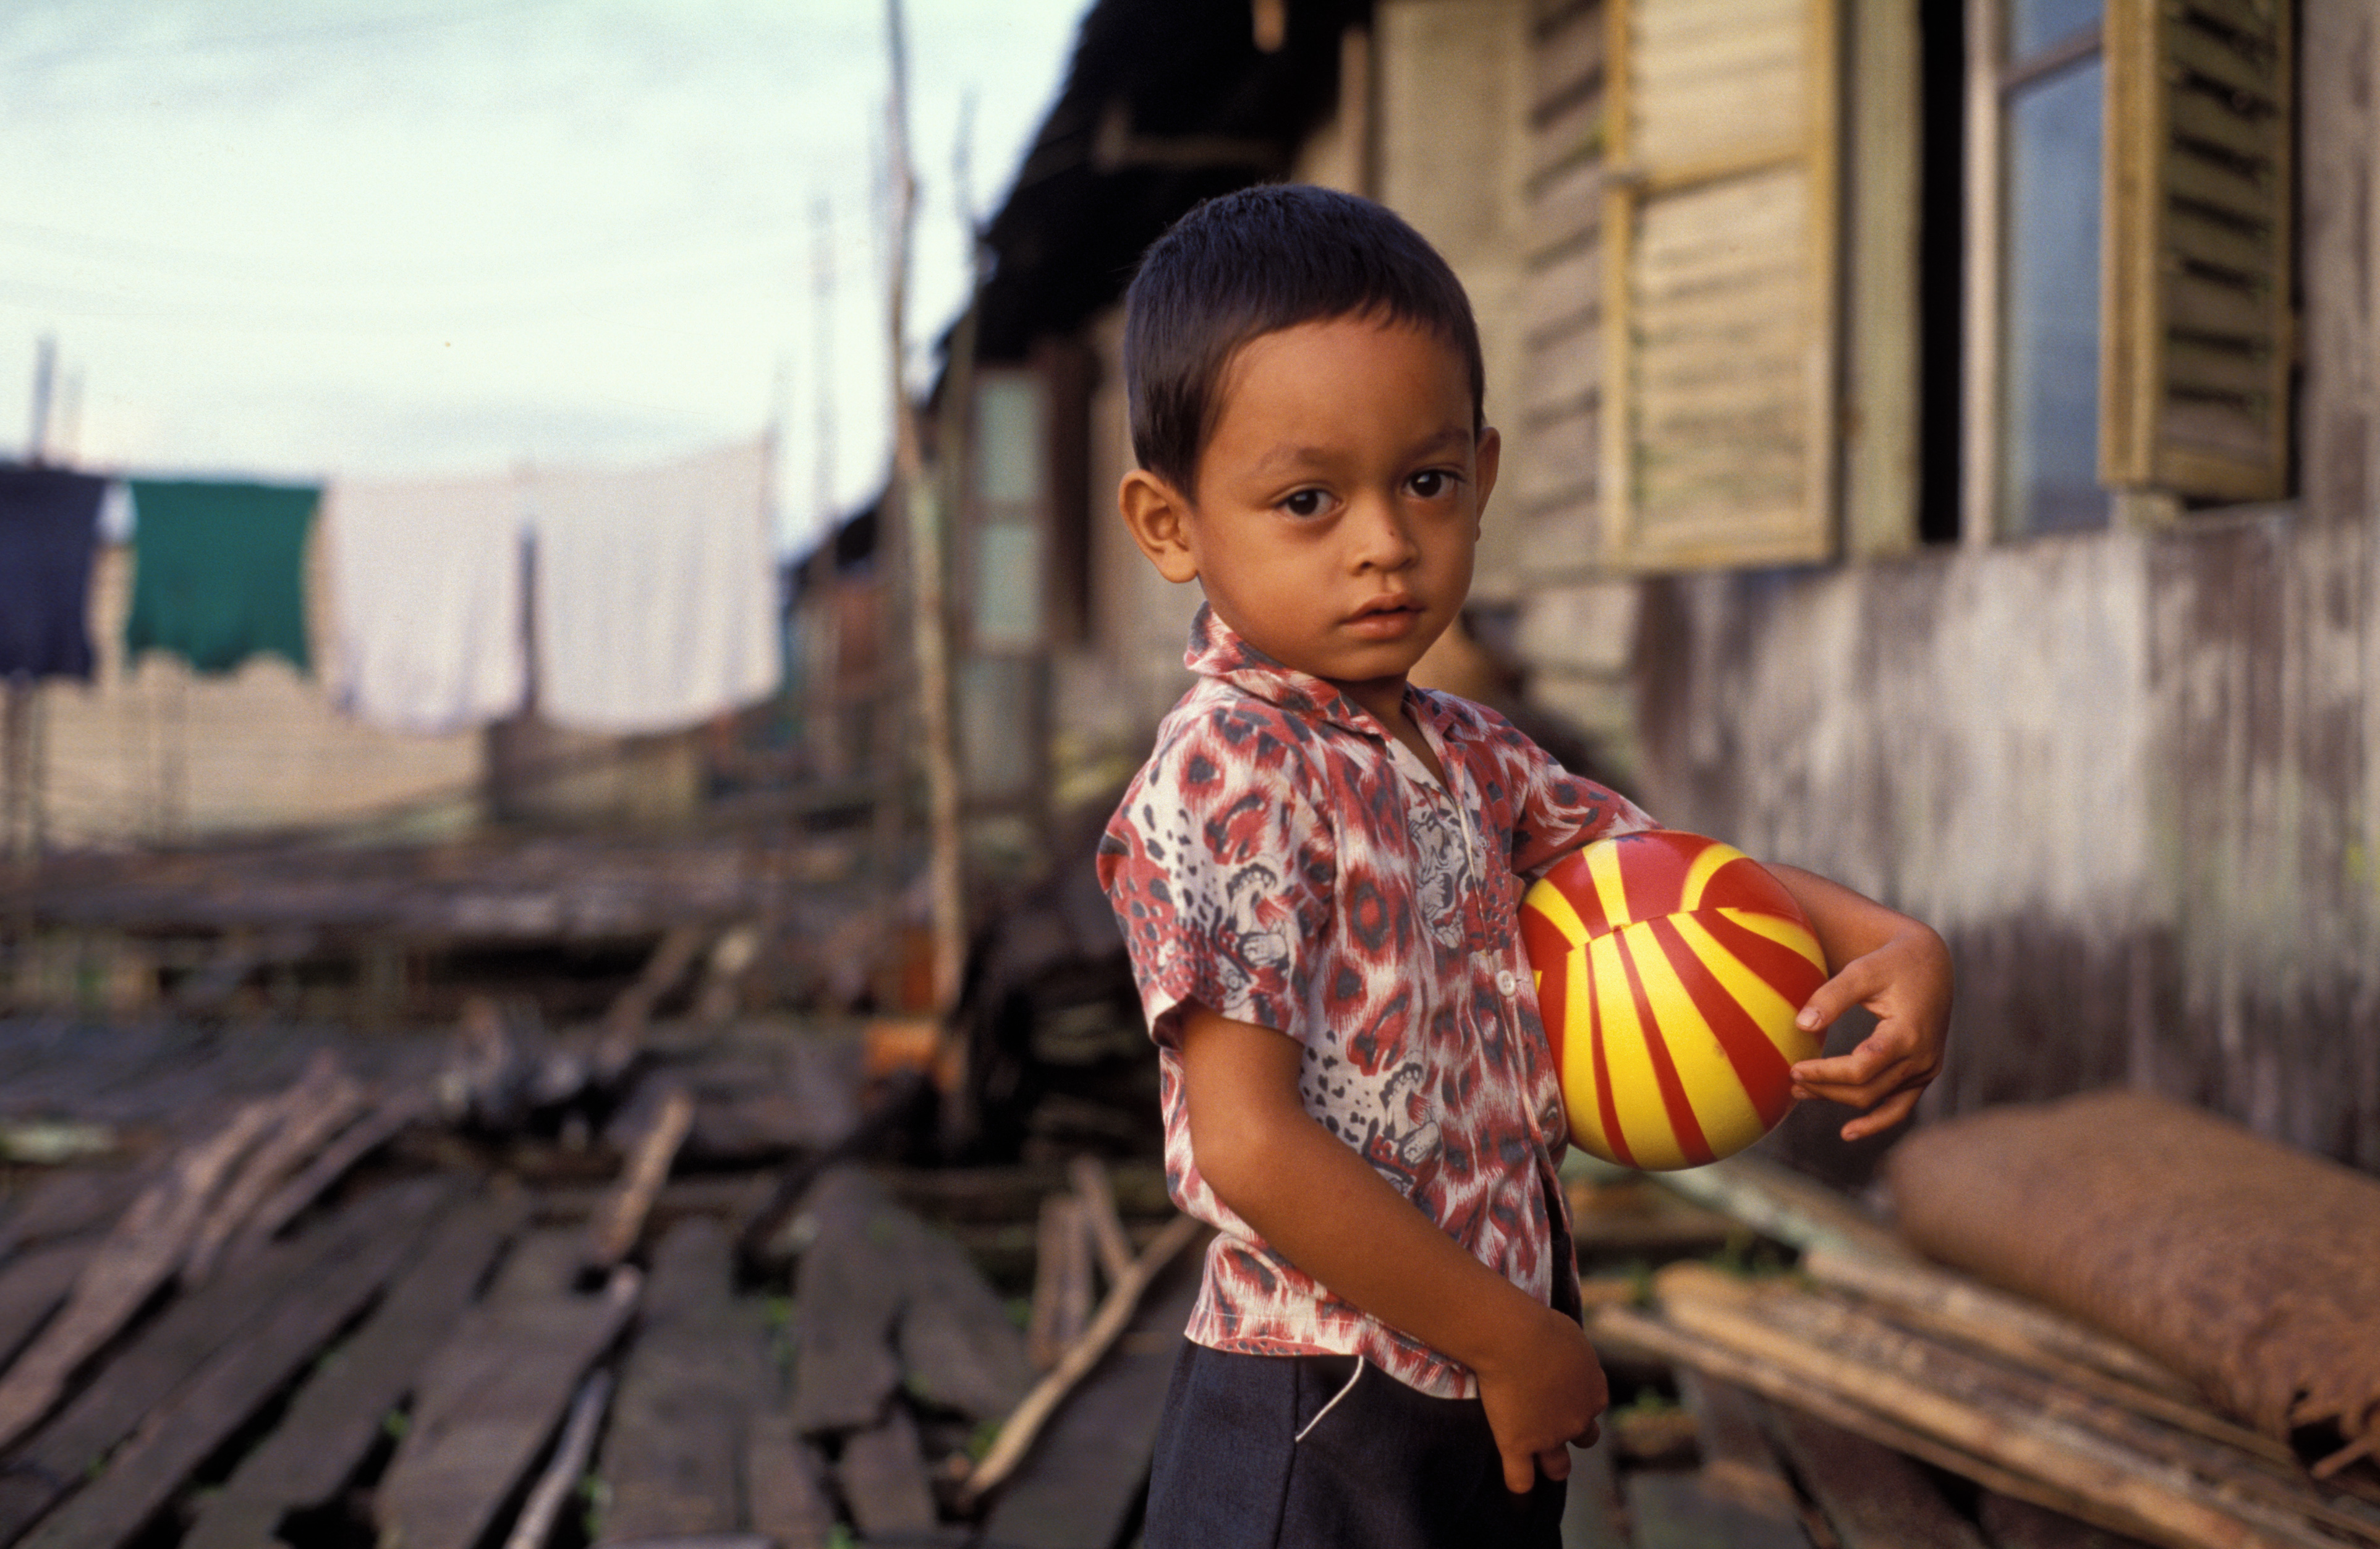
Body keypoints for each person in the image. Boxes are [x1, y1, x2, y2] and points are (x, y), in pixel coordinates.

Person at [1095, 184, 1952, 1549]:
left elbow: (1663, 871)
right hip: (1320, 1401)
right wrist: (1508, 1334)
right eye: (1307, 499)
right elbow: (1246, 1141)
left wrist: (1884, 939)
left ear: (1480, 476)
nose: (1384, 541)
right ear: (1169, 526)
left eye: (1424, 481)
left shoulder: (1467, 752)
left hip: (1476, 1368)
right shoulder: (1229, 772)